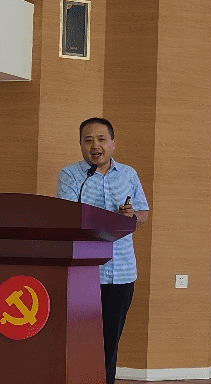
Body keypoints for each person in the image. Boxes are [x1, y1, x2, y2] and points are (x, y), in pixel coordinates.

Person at [56, 117, 149, 384]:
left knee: (110, 341)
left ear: (113, 143)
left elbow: (143, 213)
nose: (95, 146)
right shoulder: (70, 175)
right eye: (88, 140)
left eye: (101, 139)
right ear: (81, 145)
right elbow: (67, 217)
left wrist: (131, 217)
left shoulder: (129, 174)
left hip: (121, 272)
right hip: (82, 272)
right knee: (80, 340)